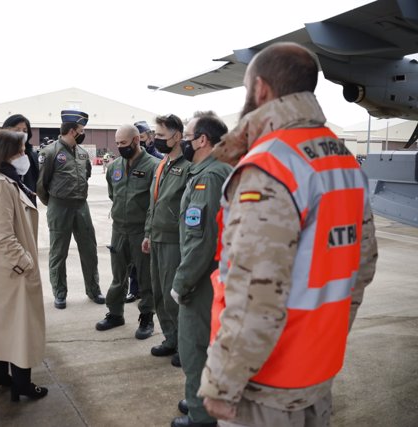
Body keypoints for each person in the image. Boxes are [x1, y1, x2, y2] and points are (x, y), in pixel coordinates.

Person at [198, 42, 378, 427]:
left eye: (248, 90)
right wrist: (322, 340)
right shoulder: (344, 161)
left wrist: (223, 382)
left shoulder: (272, 166)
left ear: (261, 89)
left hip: (267, 383)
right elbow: (361, 268)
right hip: (317, 370)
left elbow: (255, 290)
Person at [0, 130, 48, 402]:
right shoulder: (2, 185)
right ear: (6, 153)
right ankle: (22, 384)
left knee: (1, 325)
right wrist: (25, 262)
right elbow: (4, 235)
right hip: (12, 269)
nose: (25, 155)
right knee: (20, 328)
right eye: (21, 150)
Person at [170, 115, 232, 427]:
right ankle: (198, 399)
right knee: (202, 347)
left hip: (204, 279)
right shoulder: (210, 171)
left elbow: (201, 239)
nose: (182, 140)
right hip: (213, 275)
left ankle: (201, 417)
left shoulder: (211, 175)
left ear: (203, 140)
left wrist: (181, 282)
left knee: (195, 348)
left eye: (188, 135)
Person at [95, 124, 160, 339]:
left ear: (135, 141)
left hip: (141, 230)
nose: (119, 147)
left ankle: (147, 318)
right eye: (117, 144)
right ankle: (115, 313)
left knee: (145, 277)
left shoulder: (154, 167)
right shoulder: (114, 167)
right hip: (119, 229)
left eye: (123, 143)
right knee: (118, 275)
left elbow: (155, 202)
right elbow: (114, 194)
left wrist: (149, 232)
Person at [37, 110, 104, 309]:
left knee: (89, 250)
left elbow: (87, 175)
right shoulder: (49, 152)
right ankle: (60, 293)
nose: (83, 133)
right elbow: (41, 184)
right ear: (73, 131)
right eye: (81, 130)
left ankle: (93, 290)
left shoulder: (83, 154)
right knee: (59, 253)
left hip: (81, 206)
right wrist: (53, 204)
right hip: (59, 206)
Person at [142, 114, 190, 365]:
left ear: (177, 136)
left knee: (174, 295)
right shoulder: (162, 164)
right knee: (158, 292)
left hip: (174, 240)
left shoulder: (188, 166)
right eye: (155, 135)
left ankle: (185, 344)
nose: (156, 139)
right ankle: (170, 338)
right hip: (157, 237)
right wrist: (148, 233)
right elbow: (154, 201)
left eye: (161, 136)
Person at [1, 114, 39, 205]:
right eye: (17, 130)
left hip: (28, 205)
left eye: (25, 131)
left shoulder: (32, 156)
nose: (21, 133)